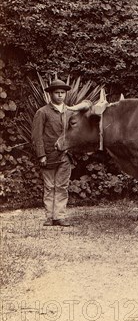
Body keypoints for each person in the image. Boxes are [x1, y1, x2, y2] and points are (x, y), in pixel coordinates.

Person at [32, 79, 74, 227]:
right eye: (57, 93)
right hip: (48, 155)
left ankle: (59, 216)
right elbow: (37, 136)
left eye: (63, 93)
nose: (60, 95)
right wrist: (41, 154)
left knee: (62, 186)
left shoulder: (70, 112)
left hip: (65, 156)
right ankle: (49, 217)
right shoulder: (42, 112)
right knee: (49, 187)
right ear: (50, 94)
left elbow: (75, 134)